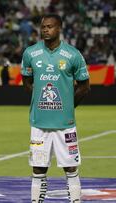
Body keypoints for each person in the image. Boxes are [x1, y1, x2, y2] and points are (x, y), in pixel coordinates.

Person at [21, 14, 91, 202]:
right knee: (38, 168)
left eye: (50, 26)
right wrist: (39, 102)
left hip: (65, 124)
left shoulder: (73, 54)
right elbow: (26, 81)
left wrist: (69, 106)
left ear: (59, 28)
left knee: (70, 168)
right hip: (39, 123)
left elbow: (85, 86)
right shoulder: (30, 53)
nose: (45, 30)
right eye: (43, 26)